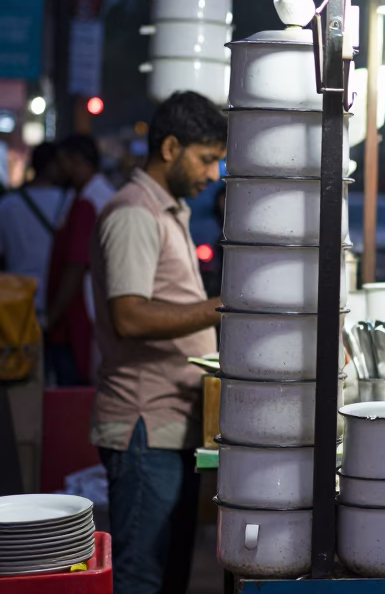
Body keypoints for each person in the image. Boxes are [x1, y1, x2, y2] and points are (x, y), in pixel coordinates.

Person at [90, 92, 226, 594]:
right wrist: (222, 305)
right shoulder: (133, 214)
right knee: (141, 575)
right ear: (171, 147)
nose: (213, 174)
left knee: (169, 573)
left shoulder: (167, 211)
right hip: (144, 423)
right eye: (207, 158)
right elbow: (128, 316)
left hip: (170, 423)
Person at [45, 135, 113, 385]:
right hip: (83, 312)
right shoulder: (91, 195)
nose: (58, 169)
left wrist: (53, 316)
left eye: (62, 162)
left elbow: (75, 264)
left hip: (80, 316)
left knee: (75, 391)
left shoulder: (89, 201)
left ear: (76, 161)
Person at [0, 143, 69, 366]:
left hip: (17, 307)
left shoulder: (8, 205)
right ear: (52, 166)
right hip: (60, 302)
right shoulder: (68, 202)